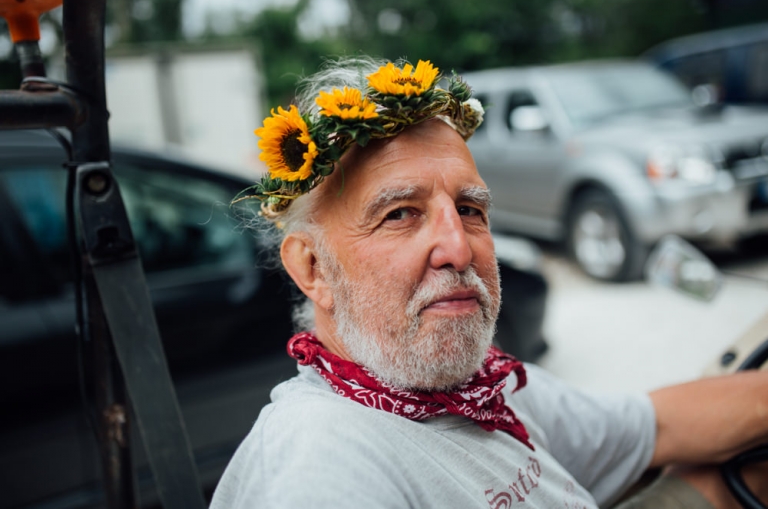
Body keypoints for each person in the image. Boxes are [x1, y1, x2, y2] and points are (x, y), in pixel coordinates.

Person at [210, 56, 768, 508]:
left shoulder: (482, 386)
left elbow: (654, 426)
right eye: (400, 213)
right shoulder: (322, 468)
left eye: (471, 210)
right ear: (312, 268)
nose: (459, 249)